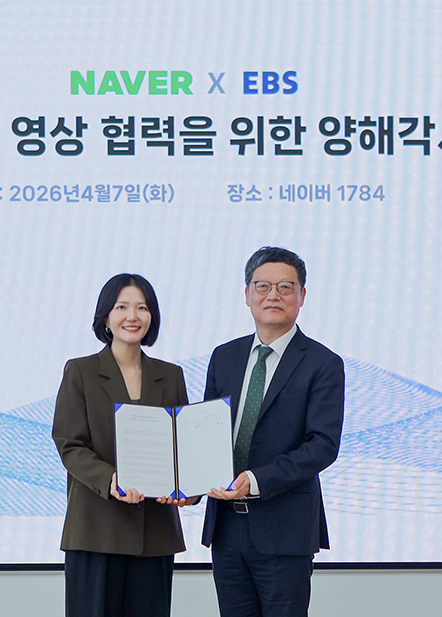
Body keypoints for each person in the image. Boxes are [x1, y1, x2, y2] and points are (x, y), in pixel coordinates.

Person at [201, 247, 345, 617]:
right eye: (262, 286)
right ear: (247, 294)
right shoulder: (224, 357)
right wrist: (189, 482)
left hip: (285, 530)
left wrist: (255, 479)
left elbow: (322, 445)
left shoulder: (323, 363)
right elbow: (206, 434)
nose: (273, 295)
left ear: (302, 295)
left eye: (285, 286)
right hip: (226, 528)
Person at [53, 273, 193, 617]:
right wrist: (110, 479)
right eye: (122, 307)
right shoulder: (81, 371)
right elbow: (70, 444)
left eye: (142, 308)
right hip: (96, 531)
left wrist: (189, 487)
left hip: (155, 533)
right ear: (105, 318)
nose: (132, 316)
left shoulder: (171, 375)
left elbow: (184, 447)